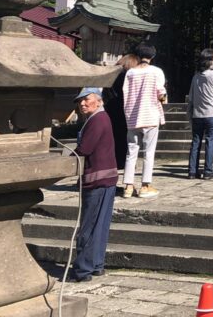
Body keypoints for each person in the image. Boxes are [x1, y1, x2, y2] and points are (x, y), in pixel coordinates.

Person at [69, 87, 118, 282]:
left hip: (97, 180)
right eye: (79, 101)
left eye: (86, 99)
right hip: (106, 179)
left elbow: (84, 148)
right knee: (100, 225)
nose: (81, 104)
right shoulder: (101, 118)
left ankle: (83, 269)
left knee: (89, 226)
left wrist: (69, 156)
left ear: (97, 101)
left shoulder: (97, 120)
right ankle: (96, 264)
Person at [121, 45, 166, 199]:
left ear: (138, 56)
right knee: (148, 153)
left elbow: (125, 93)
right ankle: (145, 186)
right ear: (152, 57)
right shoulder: (156, 71)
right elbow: (161, 92)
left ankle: (128, 186)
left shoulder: (130, 73)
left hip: (132, 118)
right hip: (150, 116)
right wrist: (163, 100)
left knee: (131, 153)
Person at [187, 49, 213, 180]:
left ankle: (192, 171)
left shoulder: (195, 77)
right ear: (209, 61)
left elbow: (191, 97)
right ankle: (208, 170)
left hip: (197, 114)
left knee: (195, 142)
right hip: (212, 113)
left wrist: (189, 113)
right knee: (210, 141)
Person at [103, 53, 137, 170]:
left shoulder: (111, 76)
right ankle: (121, 163)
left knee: (113, 139)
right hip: (123, 111)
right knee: (123, 139)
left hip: (110, 110)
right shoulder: (126, 76)